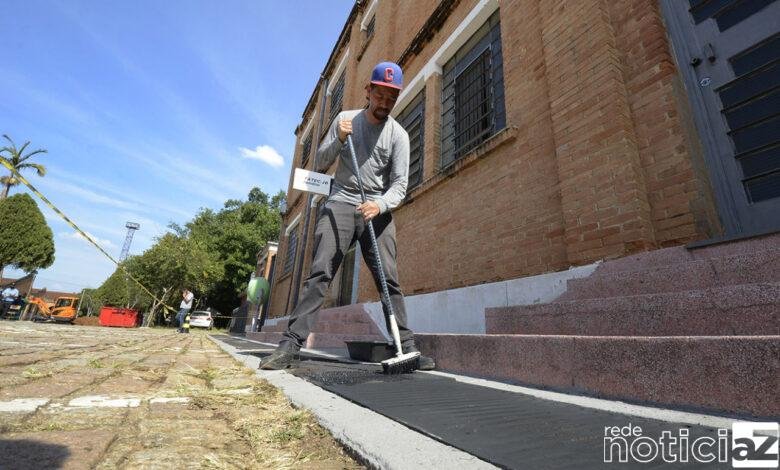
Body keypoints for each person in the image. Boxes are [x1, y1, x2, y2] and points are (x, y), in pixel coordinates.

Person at [260, 61, 435, 371]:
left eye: (391, 99)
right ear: (368, 91)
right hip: (340, 202)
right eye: (380, 96)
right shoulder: (345, 120)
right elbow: (322, 162)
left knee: (388, 280)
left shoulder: (399, 136)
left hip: (375, 209)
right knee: (320, 273)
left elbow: (400, 186)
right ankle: (290, 345)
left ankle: (406, 346)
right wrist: (338, 138)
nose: (384, 104)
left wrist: (380, 205)